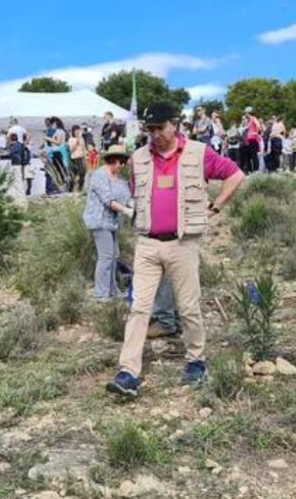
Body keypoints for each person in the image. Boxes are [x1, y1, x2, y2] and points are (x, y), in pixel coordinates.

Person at [106, 103, 245, 398]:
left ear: (175, 124)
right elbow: (137, 193)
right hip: (147, 243)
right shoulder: (139, 158)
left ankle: (196, 361)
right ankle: (128, 371)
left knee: (189, 307)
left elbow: (235, 175)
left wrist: (215, 207)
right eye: (150, 129)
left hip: (183, 243)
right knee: (139, 308)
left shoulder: (199, 152)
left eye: (160, 127)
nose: (154, 134)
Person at [83, 145, 132, 300]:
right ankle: (101, 293)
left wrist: (132, 205)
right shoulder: (99, 176)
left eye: (123, 162)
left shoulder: (118, 179)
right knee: (106, 256)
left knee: (114, 255)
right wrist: (127, 211)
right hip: (99, 221)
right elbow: (108, 200)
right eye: (120, 162)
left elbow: (126, 197)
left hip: (112, 222)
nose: (122, 165)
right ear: (113, 160)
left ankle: (112, 290)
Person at [7, 133, 28, 207]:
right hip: (19, 164)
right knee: (18, 179)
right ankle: (20, 195)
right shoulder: (20, 145)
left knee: (17, 180)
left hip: (16, 164)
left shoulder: (14, 146)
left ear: (10, 138)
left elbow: (11, 154)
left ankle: (19, 195)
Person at [68, 125, 87, 193]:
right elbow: (70, 150)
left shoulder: (82, 139)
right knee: (73, 176)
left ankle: (80, 190)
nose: (77, 132)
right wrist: (76, 143)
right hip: (74, 159)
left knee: (82, 175)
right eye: (76, 131)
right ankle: (70, 190)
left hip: (81, 158)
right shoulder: (71, 139)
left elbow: (84, 148)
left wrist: (85, 157)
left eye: (78, 131)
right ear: (73, 132)